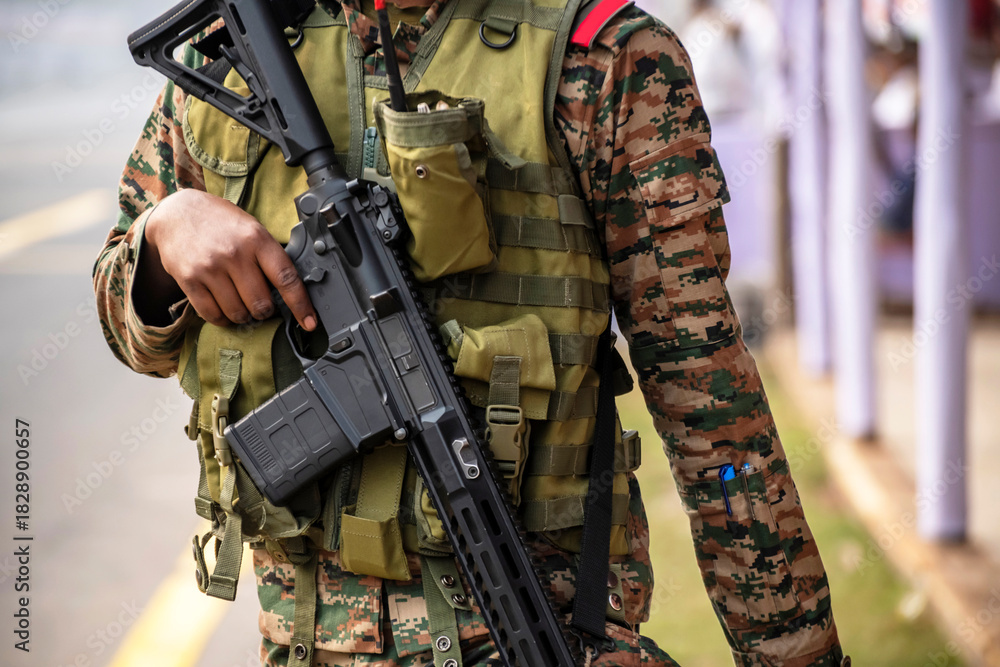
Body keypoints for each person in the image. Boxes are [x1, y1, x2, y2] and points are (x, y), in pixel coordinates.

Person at [93, 0, 848, 665]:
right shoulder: (232, 52)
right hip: (302, 642)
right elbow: (127, 324)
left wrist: (793, 650)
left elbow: (713, 413)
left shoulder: (605, 58)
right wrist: (162, 239)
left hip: (538, 627)